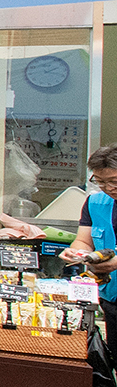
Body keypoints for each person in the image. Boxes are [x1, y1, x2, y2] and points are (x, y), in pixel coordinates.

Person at [59, 143, 117, 346]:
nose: (109, 188)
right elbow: (84, 240)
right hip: (111, 297)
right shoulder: (95, 203)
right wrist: (76, 252)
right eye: (100, 181)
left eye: (114, 181)